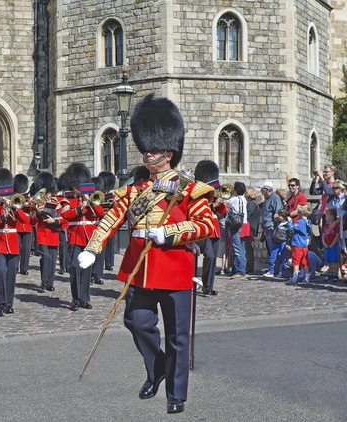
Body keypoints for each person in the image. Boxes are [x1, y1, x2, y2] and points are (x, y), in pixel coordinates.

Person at [77, 94, 216, 414]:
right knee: (136, 321)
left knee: (178, 337)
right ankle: (158, 368)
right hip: (140, 268)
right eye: (145, 148)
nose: (146, 153)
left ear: (168, 153)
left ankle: (175, 395)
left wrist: (169, 233)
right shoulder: (136, 191)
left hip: (175, 267)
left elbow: (206, 224)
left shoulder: (189, 190)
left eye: (151, 149)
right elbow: (112, 217)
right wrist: (92, 248)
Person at [0, 168, 31, 317]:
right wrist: (1, 218)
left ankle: (9, 304)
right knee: (1, 272)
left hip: (12, 243)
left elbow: (25, 220)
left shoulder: (14, 202)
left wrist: (13, 207)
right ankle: (1, 303)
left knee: (11, 274)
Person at [60, 162, 104, 311]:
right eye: (76, 186)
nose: (78, 189)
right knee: (74, 267)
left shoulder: (93, 197)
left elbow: (100, 213)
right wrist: (80, 208)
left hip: (89, 237)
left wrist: (90, 201)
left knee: (86, 269)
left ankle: (84, 299)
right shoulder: (68, 198)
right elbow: (66, 215)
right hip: (74, 237)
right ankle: (75, 298)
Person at [194, 160, 226, 295]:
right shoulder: (199, 194)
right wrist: (212, 205)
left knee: (212, 259)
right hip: (205, 230)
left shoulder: (215, 194)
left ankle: (208, 287)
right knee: (210, 256)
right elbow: (199, 209)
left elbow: (223, 212)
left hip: (215, 230)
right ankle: (195, 283)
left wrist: (219, 204)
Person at [260, 181, 283, 277]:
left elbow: (277, 213)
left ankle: (274, 270)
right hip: (267, 227)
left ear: (267, 189)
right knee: (271, 249)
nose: (261, 191)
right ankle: (273, 269)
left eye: (263, 189)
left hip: (271, 227)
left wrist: (275, 227)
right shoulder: (267, 198)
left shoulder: (274, 198)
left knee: (274, 250)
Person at [226, 182, 248, 278]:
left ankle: (240, 271)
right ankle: (238, 269)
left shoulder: (234, 199)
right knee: (240, 247)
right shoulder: (243, 199)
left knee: (236, 248)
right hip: (242, 223)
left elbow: (225, 203)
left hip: (234, 224)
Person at [286, 204, 312, 285]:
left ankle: (295, 277)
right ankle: (307, 277)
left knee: (296, 262)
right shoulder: (308, 222)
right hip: (304, 244)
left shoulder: (300, 222)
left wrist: (290, 221)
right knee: (305, 261)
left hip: (298, 244)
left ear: (301, 213)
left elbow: (292, 228)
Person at [98, 171, 117, 271]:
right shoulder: (98, 195)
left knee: (110, 243)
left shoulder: (112, 196)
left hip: (110, 221)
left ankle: (109, 263)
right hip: (101, 222)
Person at [14, 174, 33, 275]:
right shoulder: (14, 197)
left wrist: (28, 204)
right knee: (17, 247)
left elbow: (32, 209)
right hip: (17, 225)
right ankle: (15, 266)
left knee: (26, 249)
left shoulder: (28, 198)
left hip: (27, 226)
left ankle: (24, 268)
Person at [322, 207, 341, 281]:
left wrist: (333, 243)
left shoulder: (336, 225)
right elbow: (323, 235)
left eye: (327, 215)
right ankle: (330, 273)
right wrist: (324, 242)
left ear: (332, 216)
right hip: (327, 244)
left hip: (333, 244)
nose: (326, 217)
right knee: (329, 260)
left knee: (335, 260)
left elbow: (337, 235)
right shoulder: (326, 226)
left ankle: (335, 274)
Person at [245, 187, 260, 274]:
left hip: (250, 228)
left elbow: (247, 215)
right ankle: (249, 266)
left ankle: (249, 267)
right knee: (248, 248)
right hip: (251, 227)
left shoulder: (251, 204)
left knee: (248, 248)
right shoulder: (254, 203)